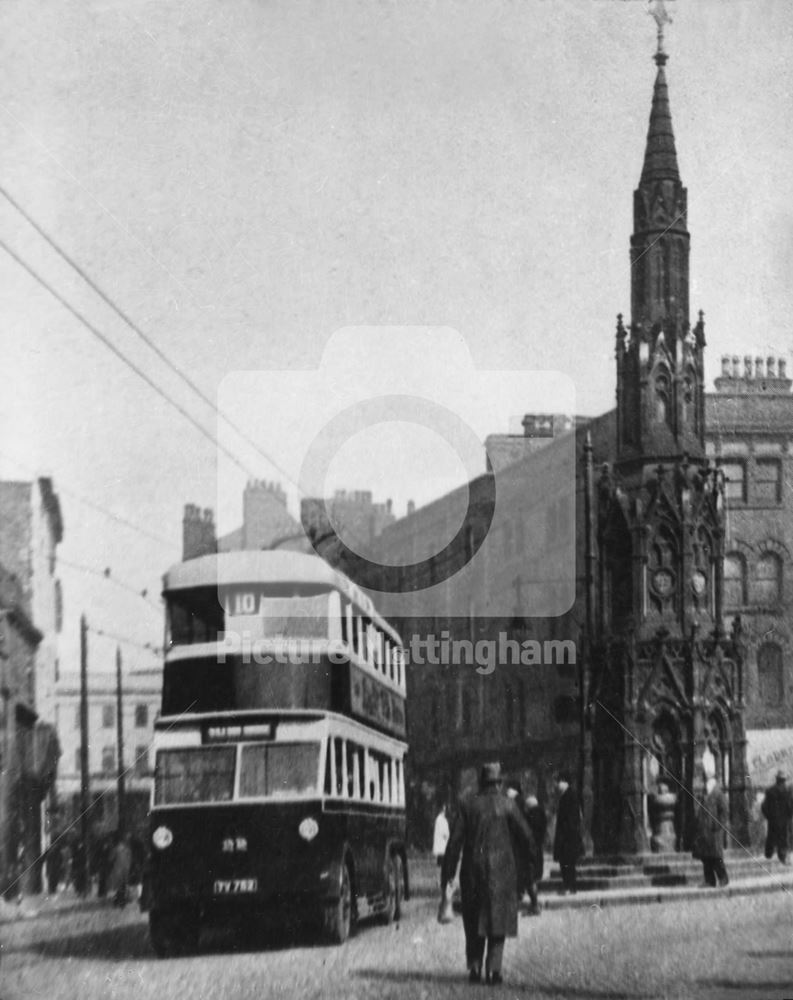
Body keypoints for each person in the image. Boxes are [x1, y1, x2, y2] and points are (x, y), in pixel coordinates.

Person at [441, 762, 533, 986]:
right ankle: (494, 970)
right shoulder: (508, 804)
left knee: (473, 920)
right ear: (499, 782)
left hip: (472, 870)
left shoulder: (467, 804)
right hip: (502, 872)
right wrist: (527, 868)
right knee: (498, 919)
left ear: (481, 782)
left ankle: (474, 966)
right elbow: (528, 839)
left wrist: (448, 875)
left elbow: (454, 844)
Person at [693, 775, 730, 887]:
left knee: (716, 856)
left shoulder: (719, 794)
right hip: (705, 831)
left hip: (714, 831)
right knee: (706, 857)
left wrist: (717, 825)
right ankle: (709, 881)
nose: (705, 785)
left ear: (713, 783)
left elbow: (724, 813)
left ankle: (723, 878)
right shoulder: (706, 794)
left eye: (708, 783)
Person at [553, 772, 584, 895]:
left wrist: (566, 835)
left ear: (564, 782)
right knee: (567, 863)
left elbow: (571, 819)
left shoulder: (569, 796)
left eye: (558, 781)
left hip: (568, 838)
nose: (557, 784)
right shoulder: (567, 795)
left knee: (567, 863)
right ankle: (569, 886)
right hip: (568, 837)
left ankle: (570, 887)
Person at [761, 771, 793, 864]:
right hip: (785, 819)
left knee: (771, 836)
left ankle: (768, 853)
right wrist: (790, 815)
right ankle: (782, 856)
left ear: (777, 779)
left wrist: (768, 816)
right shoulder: (788, 791)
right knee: (783, 838)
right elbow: (791, 805)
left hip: (773, 819)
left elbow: (764, 806)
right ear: (784, 780)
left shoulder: (770, 790)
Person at [524, 794, 547, 915]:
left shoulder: (530, 816)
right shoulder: (542, 814)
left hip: (530, 850)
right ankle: (535, 904)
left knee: (530, 878)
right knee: (535, 877)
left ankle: (535, 905)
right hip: (539, 849)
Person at [107, 831, 133, 907]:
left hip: (118, 869)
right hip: (126, 868)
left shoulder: (115, 849)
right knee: (124, 884)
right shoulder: (127, 849)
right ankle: (122, 900)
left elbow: (110, 859)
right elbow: (130, 858)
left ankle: (119, 900)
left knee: (119, 885)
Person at [432, 803, 450, 884]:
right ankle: (439, 880)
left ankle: (442, 879)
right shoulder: (439, 819)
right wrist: (448, 836)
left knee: (442, 864)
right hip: (441, 846)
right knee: (440, 864)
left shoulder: (443, 819)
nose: (444, 811)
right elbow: (444, 833)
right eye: (443, 809)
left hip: (443, 846)